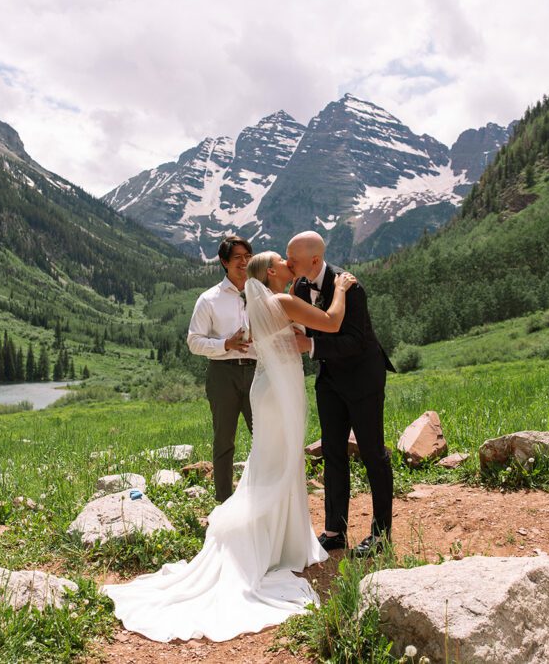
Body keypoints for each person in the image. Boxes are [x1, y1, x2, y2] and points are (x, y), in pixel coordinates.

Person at [103, 251, 358, 642]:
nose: (290, 265)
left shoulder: (261, 302)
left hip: (271, 388)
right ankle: (270, 542)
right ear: (271, 272)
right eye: (283, 262)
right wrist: (339, 289)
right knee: (277, 464)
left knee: (274, 462)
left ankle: (281, 541)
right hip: (278, 393)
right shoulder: (281, 301)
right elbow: (332, 321)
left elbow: (295, 335)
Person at [286, 230, 395, 558]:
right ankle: (335, 530)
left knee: (373, 452)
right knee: (332, 453)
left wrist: (310, 345)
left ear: (315, 260)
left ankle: (380, 534)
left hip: (363, 378)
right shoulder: (302, 287)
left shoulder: (351, 286)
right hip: (330, 381)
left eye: (293, 258)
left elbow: (356, 342)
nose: (288, 262)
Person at [187, 236, 255, 502]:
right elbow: (194, 341)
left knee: (262, 437)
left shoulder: (260, 293)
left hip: (256, 372)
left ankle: (262, 499)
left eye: (248, 256)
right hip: (222, 374)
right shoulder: (209, 299)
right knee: (224, 440)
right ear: (224, 262)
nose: (244, 261)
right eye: (237, 257)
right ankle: (223, 501)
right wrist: (225, 344)